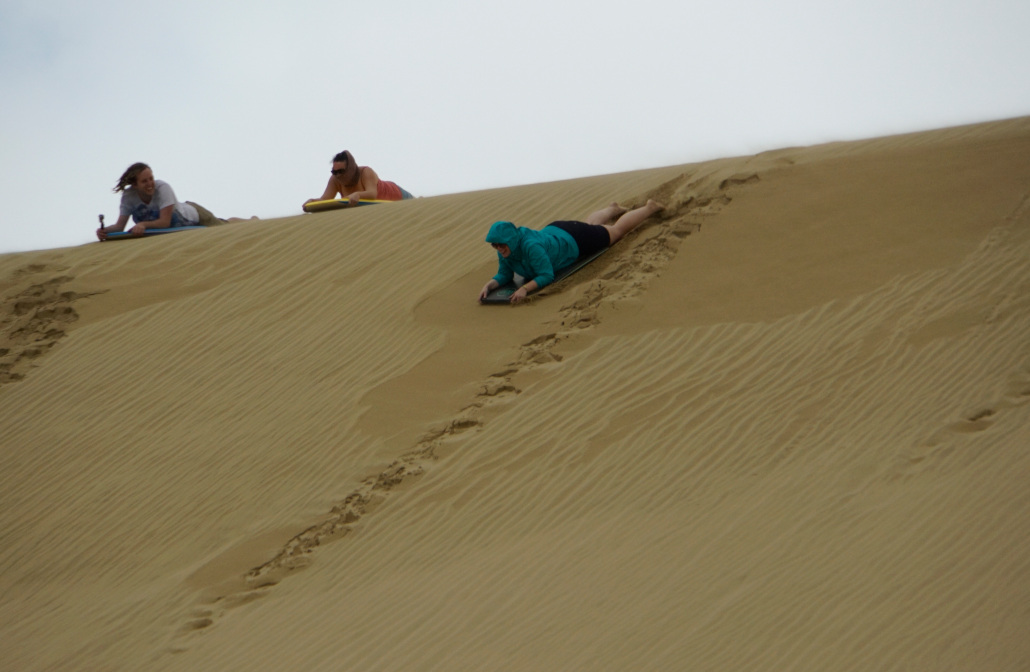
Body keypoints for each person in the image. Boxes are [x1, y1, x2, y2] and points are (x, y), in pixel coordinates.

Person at [479, 200, 665, 304]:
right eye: (495, 245)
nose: (499, 248)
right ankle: (612, 209)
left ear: (511, 240)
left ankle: (650, 207)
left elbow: (546, 275)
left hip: (574, 240)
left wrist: (525, 289)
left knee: (616, 232)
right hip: (557, 232)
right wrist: (490, 285)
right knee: (588, 225)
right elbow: (505, 274)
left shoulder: (530, 247)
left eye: (502, 244)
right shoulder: (504, 250)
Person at [96, 162, 254, 241]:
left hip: (195, 215)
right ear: (135, 184)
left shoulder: (163, 188)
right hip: (176, 228)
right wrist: (105, 231)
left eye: (151, 178)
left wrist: (143, 225)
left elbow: (165, 222)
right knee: (223, 223)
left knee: (224, 228)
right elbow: (119, 226)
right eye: (144, 181)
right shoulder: (129, 197)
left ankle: (252, 222)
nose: (150, 183)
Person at [304, 150, 413, 208]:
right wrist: (312, 201)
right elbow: (325, 200)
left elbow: (372, 194)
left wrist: (358, 194)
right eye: (334, 172)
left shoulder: (366, 172)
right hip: (378, 210)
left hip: (396, 194)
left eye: (341, 171)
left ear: (350, 168)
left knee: (415, 204)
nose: (337, 175)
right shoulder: (334, 180)